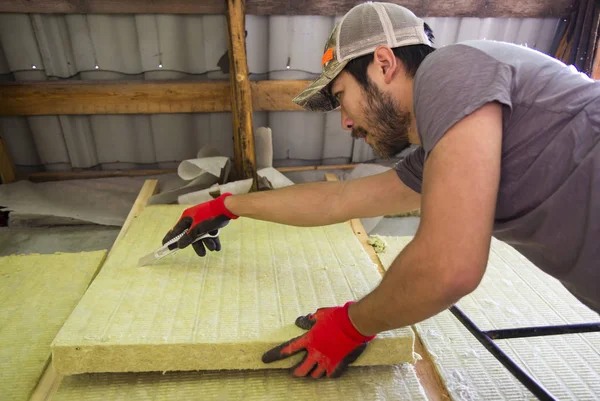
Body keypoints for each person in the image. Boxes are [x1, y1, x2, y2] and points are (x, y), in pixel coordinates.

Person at [162, 2, 600, 379]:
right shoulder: (445, 143)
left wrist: (352, 326)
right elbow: (338, 201)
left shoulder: (449, 70)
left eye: (341, 95)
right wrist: (228, 205)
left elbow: (450, 266)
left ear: (384, 63)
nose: (345, 122)